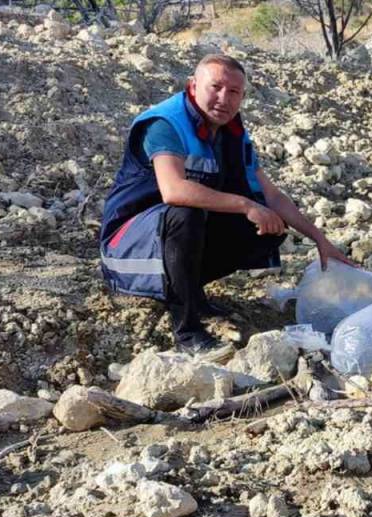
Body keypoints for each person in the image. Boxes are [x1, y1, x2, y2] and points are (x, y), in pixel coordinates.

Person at [99, 54, 353, 359]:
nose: (223, 98)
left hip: (167, 242)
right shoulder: (165, 123)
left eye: (233, 92)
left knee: (269, 227)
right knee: (187, 212)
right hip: (126, 251)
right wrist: (245, 204)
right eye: (215, 87)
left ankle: (191, 292)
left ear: (242, 97)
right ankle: (187, 330)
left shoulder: (232, 134)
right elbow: (173, 190)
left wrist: (320, 239)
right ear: (192, 86)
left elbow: (271, 195)